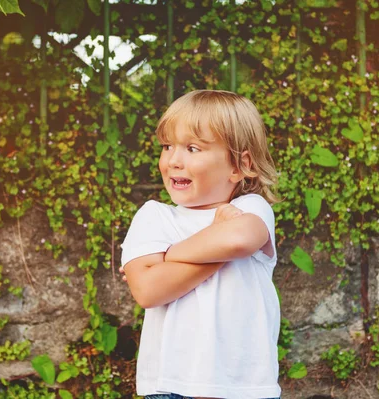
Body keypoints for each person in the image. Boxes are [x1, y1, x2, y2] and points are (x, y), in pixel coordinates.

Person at [120, 90, 281, 399]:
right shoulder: (154, 216)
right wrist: (216, 243)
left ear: (239, 165)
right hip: (170, 388)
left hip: (245, 390)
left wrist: (169, 257)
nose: (174, 160)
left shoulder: (252, 208)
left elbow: (238, 239)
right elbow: (149, 290)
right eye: (168, 146)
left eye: (193, 148)